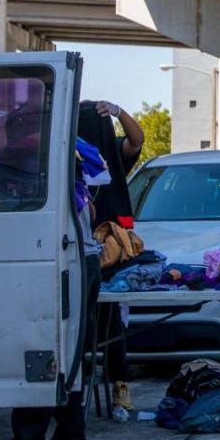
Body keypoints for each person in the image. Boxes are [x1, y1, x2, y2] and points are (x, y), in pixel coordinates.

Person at [0, 145, 104, 440]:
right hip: (87, 260)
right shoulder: (73, 165)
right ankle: (69, 434)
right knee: (69, 348)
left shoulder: (38, 162)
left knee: (40, 342)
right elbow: (90, 215)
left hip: (71, 259)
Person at [77, 99, 144, 413]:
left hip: (110, 252)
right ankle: (78, 383)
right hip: (75, 248)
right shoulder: (70, 156)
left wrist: (119, 113)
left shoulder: (112, 155)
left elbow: (137, 139)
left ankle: (120, 384)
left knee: (112, 323)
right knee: (78, 322)